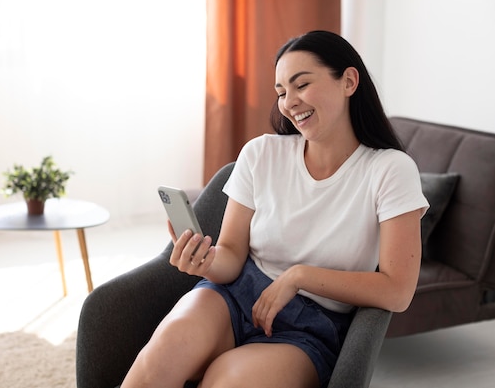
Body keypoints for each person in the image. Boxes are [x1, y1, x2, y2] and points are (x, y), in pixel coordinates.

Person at [120, 30, 429, 388]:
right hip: (233, 295)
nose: (289, 102)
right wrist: (205, 261)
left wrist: (298, 277)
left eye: (301, 85)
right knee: (164, 354)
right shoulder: (261, 153)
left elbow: (397, 291)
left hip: (310, 327)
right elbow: (232, 253)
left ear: (348, 81)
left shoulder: (390, 170)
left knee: (227, 382)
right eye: (281, 92)